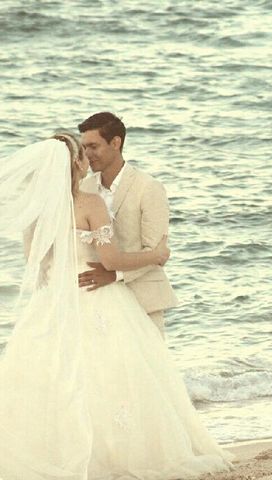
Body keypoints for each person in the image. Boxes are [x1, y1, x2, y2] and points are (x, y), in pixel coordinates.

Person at [0, 133, 233, 478]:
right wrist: (156, 254)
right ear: (77, 163)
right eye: (84, 154)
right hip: (96, 297)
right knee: (112, 378)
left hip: (52, 302)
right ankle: (113, 456)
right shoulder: (90, 203)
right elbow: (110, 260)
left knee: (55, 379)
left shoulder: (38, 212)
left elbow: (36, 264)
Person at [77, 112, 177, 336]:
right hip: (96, 303)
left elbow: (156, 253)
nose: (87, 154)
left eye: (93, 146)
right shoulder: (84, 187)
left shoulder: (148, 187)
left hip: (143, 300)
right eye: (84, 147)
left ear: (115, 143)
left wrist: (115, 275)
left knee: (149, 369)